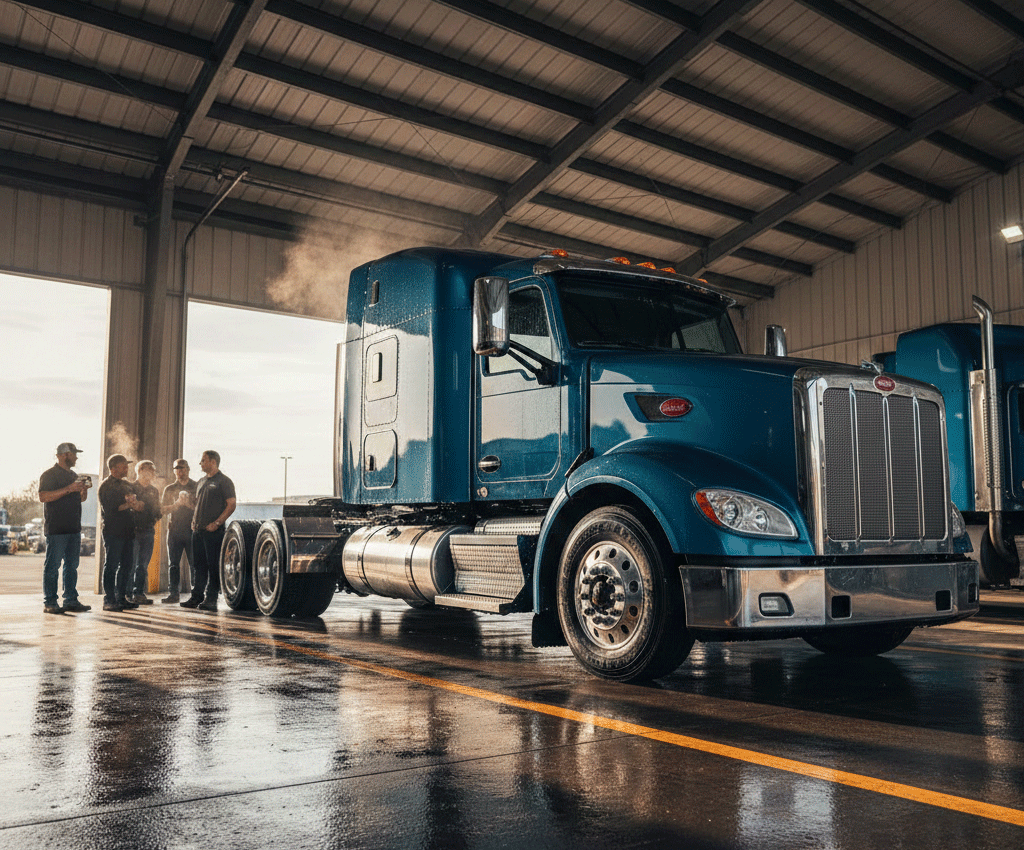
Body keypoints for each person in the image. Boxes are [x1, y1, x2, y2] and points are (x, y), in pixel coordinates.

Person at [37, 442, 92, 614]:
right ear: (63, 455)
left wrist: (83, 491)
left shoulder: (74, 475)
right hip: (57, 529)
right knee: (53, 566)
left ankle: (70, 600)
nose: (76, 457)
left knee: (71, 566)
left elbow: (80, 499)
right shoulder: (49, 475)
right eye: (74, 454)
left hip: (74, 528)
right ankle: (50, 602)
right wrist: (69, 489)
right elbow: (43, 496)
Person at [182, 450, 236, 612]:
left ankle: (211, 599)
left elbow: (231, 505)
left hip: (214, 531)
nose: (200, 463)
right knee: (198, 566)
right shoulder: (201, 481)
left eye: (203, 460)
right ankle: (196, 597)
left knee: (213, 566)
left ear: (213, 462)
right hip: (198, 530)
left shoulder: (224, 481)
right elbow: (198, 505)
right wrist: (193, 520)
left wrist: (217, 523)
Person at [98, 454, 144, 612]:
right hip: (113, 531)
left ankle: (121, 597)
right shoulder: (106, 486)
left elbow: (137, 503)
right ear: (114, 468)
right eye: (124, 466)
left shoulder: (127, 484)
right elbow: (111, 509)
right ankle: (109, 600)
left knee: (126, 566)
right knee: (111, 565)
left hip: (128, 531)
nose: (127, 468)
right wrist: (128, 504)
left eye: (127, 465)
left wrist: (137, 504)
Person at [161, 458, 196, 604]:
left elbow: (201, 508)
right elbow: (162, 509)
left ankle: (197, 593)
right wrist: (176, 505)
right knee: (173, 564)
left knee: (195, 564)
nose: (180, 471)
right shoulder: (169, 489)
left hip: (192, 530)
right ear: (174, 471)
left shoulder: (196, 486)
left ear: (188, 469)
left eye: (182, 468)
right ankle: (173, 593)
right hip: (175, 530)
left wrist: (188, 504)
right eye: (177, 469)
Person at [129, 460, 161, 605]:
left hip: (148, 530)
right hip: (133, 531)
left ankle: (139, 593)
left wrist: (155, 517)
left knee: (142, 565)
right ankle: (127, 594)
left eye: (152, 470)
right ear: (140, 471)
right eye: (148, 470)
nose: (151, 473)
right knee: (130, 563)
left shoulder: (154, 491)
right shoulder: (130, 488)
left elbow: (157, 510)